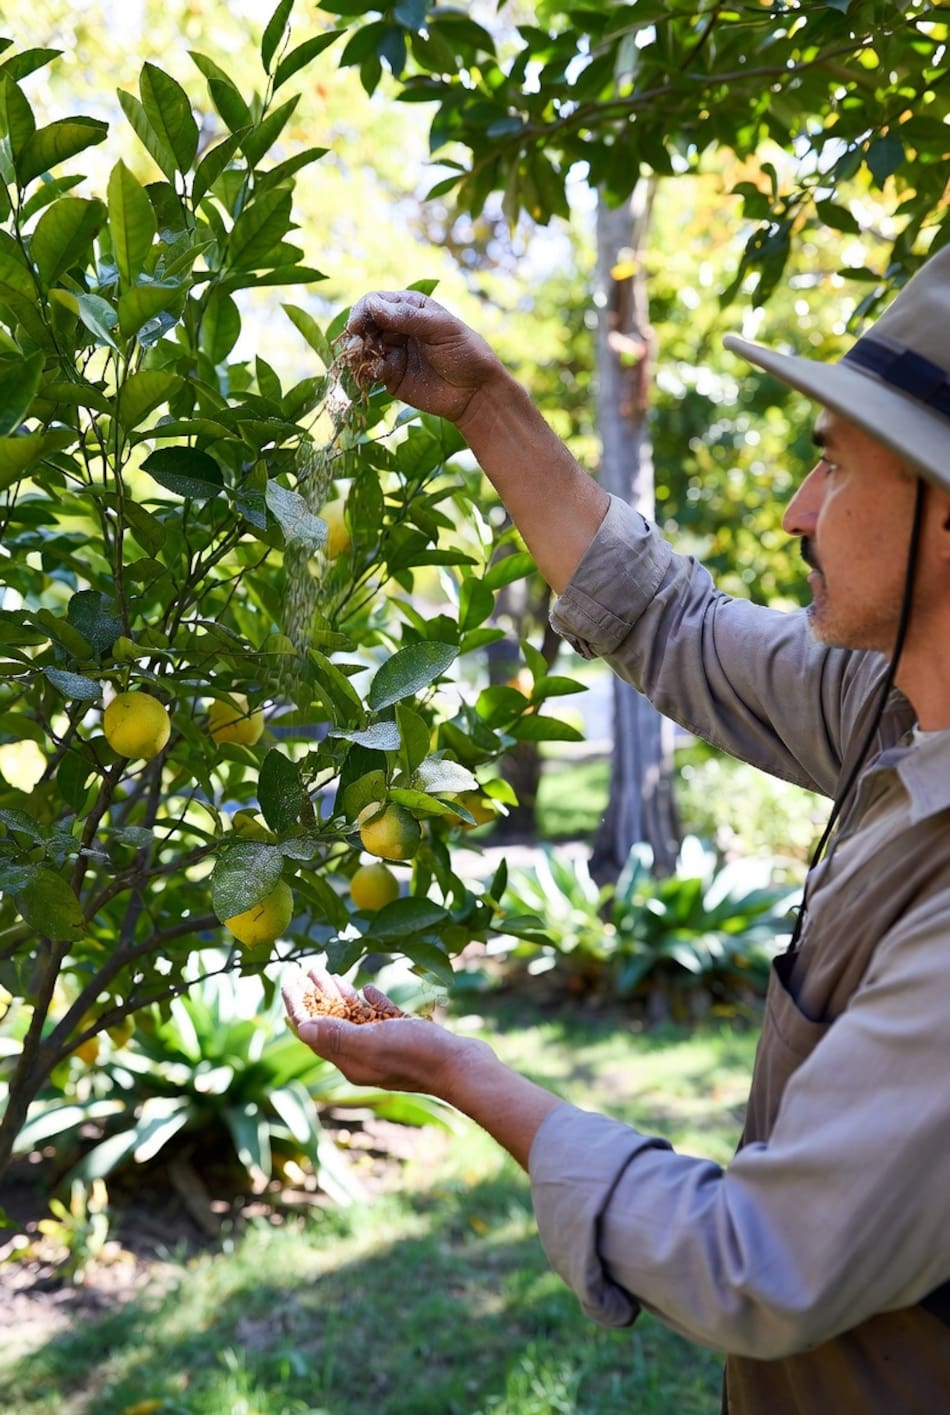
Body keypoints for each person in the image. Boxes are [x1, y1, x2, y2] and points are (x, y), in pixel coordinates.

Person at [283, 245, 950, 1413]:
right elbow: (667, 619)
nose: (795, 511)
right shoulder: (892, 705)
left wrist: (461, 1072)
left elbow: (750, 1263)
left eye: (835, 466)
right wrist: (485, 404)